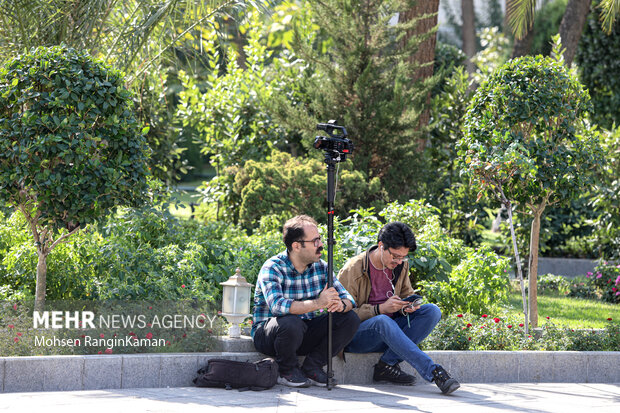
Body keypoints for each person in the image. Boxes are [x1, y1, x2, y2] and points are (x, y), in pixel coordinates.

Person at [338, 222, 460, 394]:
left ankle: (386, 365)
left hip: (391, 332)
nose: (399, 261)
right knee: (382, 321)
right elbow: (342, 317)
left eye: (403, 257)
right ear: (381, 246)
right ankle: (434, 372)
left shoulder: (400, 265)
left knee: (432, 311)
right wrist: (379, 309)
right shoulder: (353, 269)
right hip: (358, 336)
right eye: (395, 256)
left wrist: (407, 307)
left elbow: (406, 294)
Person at [252, 215, 360, 388]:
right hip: (271, 336)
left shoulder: (322, 267)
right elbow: (278, 307)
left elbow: (349, 299)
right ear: (296, 246)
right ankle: (286, 370)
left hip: (303, 332)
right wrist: (318, 303)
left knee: (350, 318)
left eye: (320, 239)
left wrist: (341, 305)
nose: (321, 245)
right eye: (315, 241)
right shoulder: (273, 267)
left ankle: (313, 366)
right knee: (290, 322)